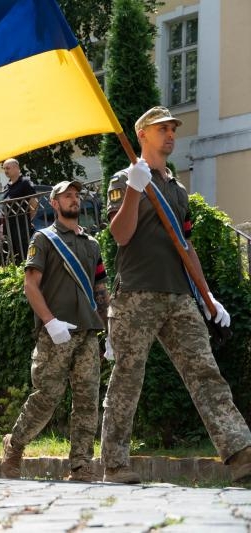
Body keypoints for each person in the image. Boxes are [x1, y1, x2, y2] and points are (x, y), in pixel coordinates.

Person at [99, 106, 251, 484]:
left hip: (179, 295)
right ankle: (115, 464)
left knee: (204, 371)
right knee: (127, 378)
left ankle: (240, 451)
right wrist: (134, 189)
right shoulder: (124, 179)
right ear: (142, 135)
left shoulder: (178, 189)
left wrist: (207, 295)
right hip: (135, 294)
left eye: (172, 128)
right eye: (162, 128)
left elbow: (186, 245)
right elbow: (121, 235)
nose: (170, 134)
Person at [0, 180, 108, 482]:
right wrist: (49, 321)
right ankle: (15, 445)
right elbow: (30, 285)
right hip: (56, 332)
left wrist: (107, 329)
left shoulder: (92, 244)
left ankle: (81, 464)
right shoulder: (44, 239)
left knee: (87, 399)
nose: (74, 200)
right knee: (47, 395)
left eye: (76, 196)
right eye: (67, 196)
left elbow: (100, 288)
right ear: (54, 203)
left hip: (87, 331)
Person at [1, 158, 38, 260]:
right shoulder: (6, 187)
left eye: (8, 168)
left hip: (22, 224)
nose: (6, 171)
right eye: (4, 169)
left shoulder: (25, 182)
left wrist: (27, 220)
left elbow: (34, 202)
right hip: (10, 227)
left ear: (17, 168)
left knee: (25, 254)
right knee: (15, 255)